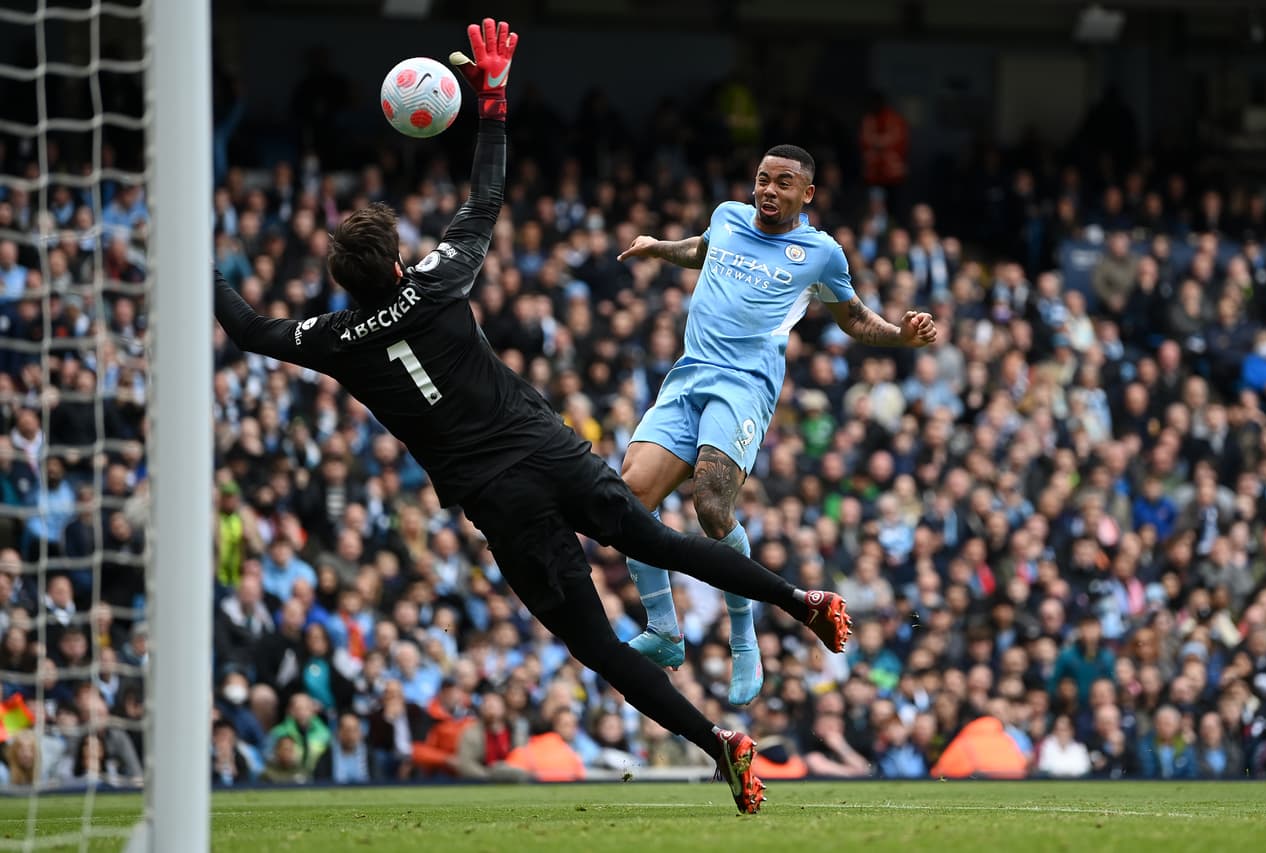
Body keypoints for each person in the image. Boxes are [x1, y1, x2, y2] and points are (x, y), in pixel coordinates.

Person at [212, 18, 850, 814]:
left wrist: (193, 260)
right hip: (549, 449)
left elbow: (247, 327)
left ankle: (719, 743)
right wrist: (494, 101)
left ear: (346, 284)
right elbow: (484, 196)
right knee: (662, 541)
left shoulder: (333, 338)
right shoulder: (437, 280)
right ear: (400, 260)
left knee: (599, 647)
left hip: (499, 500)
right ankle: (802, 600)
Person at [616, 144, 937, 704]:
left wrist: (901, 336)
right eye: (763, 179)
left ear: (806, 194)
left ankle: (745, 637)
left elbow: (855, 318)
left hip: (743, 385)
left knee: (712, 508)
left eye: (783, 183)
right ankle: (666, 631)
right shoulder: (727, 215)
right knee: (627, 499)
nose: (768, 190)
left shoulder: (819, 254)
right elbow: (703, 249)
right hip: (688, 374)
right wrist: (658, 249)